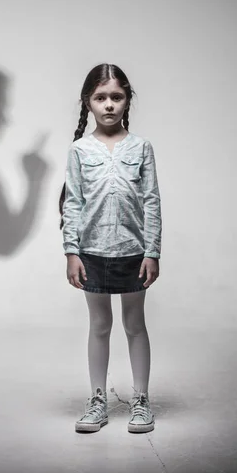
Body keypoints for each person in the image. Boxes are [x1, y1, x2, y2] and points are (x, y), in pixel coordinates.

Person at [59, 63, 162, 433]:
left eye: (116, 97)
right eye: (100, 97)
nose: (108, 105)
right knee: (100, 324)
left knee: (135, 325)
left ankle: (141, 400)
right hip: (92, 250)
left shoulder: (141, 147)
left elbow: (151, 201)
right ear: (88, 102)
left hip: (133, 251)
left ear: (127, 101)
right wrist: (72, 251)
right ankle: (98, 399)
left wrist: (152, 251)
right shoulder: (79, 149)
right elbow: (72, 202)